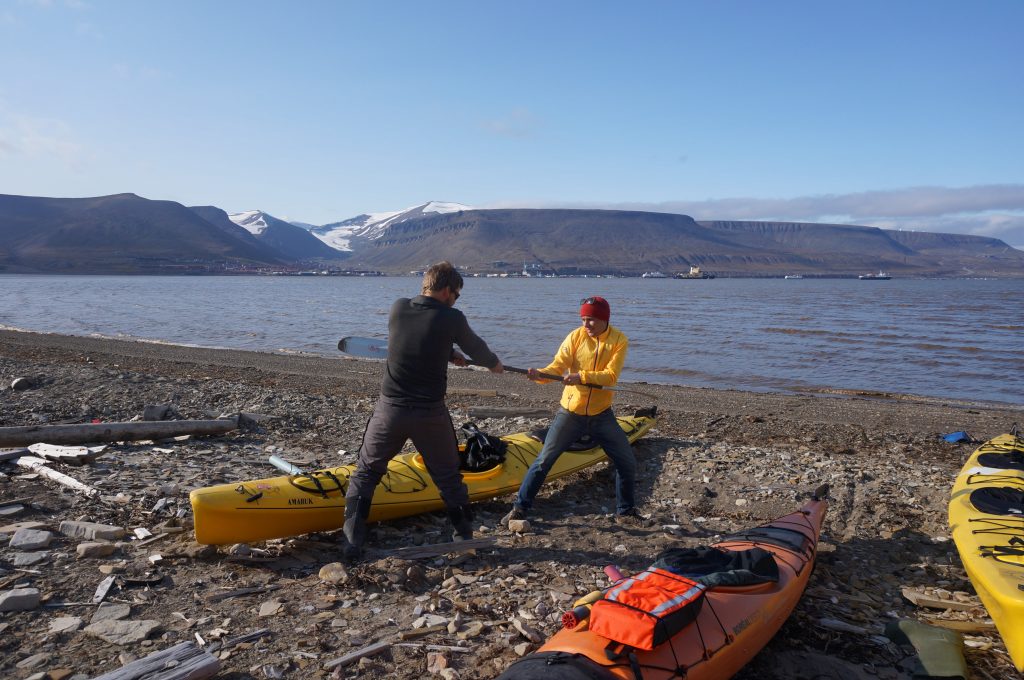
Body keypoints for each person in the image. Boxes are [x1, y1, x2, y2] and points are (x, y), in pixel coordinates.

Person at [342, 261, 503, 560]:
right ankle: (464, 537)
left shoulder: (398, 308)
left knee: (367, 471)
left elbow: (415, 340)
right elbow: (477, 349)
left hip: (389, 411)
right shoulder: (452, 318)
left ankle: (352, 541)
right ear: (445, 291)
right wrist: (494, 364)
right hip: (429, 414)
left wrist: (449, 352)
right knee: (448, 477)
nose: (456, 300)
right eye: (456, 294)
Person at [502, 295, 643, 526]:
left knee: (626, 462)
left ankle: (626, 511)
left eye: (591, 320)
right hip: (570, 413)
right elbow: (557, 366)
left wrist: (581, 376)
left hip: (602, 415)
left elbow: (611, 376)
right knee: (544, 461)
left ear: (604, 319)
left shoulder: (618, 340)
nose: (585, 325)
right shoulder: (575, 337)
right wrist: (540, 374)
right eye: (583, 319)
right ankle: (519, 508)